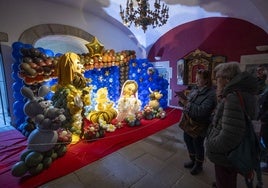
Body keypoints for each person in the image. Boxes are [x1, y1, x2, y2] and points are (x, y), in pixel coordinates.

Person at [205, 62, 259, 188]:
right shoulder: (242, 93)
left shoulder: (232, 98)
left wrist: (211, 144)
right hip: (234, 150)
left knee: (225, 177)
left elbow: (230, 135)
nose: (216, 82)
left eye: (218, 78)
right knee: (227, 176)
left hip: (225, 153)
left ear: (226, 79)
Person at [178, 69, 216, 175]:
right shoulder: (195, 89)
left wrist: (186, 103)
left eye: (199, 79)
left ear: (206, 80)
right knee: (188, 140)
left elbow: (202, 111)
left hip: (200, 124)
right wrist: (182, 101)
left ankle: (199, 165)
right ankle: (193, 160)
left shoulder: (211, 94)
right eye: (196, 78)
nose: (196, 81)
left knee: (197, 144)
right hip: (188, 122)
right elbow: (188, 101)